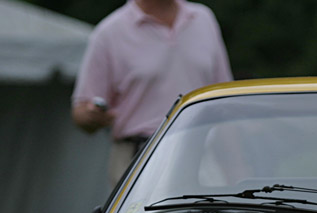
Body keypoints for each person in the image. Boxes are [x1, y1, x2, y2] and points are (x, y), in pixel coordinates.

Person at [71, 0, 233, 185]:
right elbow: (81, 111)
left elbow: (224, 102)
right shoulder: (109, 32)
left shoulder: (203, 18)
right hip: (136, 158)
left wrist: (236, 168)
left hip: (203, 156)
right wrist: (91, 115)